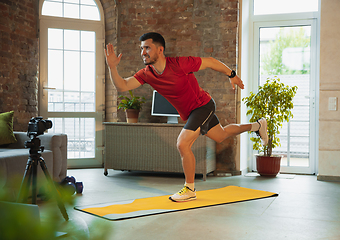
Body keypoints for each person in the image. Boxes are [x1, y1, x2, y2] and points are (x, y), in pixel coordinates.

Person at [104, 32, 268, 202]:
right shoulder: (147, 74)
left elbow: (210, 62)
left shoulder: (179, 64)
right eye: (141, 49)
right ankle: (257, 125)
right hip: (192, 113)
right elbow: (122, 85)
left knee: (182, 143)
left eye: (147, 48)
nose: (143, 52)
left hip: (203, 105)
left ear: (160, 50)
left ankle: (189, 189)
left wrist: (232, 75)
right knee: (222, 135)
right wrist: (112, 67)